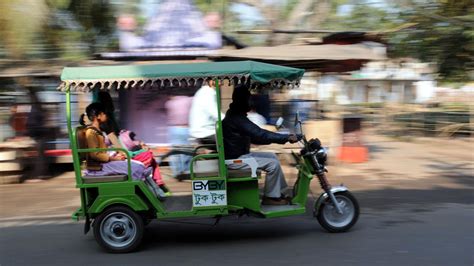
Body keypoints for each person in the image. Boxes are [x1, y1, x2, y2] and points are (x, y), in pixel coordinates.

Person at [222, 84, 299, 205]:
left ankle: (279, 192)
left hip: (239, 155)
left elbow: (256, 137)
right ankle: (270, 198)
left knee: (272, 157)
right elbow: (259, 133)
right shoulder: (237, 118)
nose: (251, 102)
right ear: (242, 101)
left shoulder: (235, 115)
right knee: (273, 164)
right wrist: (286, 138)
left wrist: (278, 139)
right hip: (236, 160)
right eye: (249, 99)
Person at [79, 103, 152, 182]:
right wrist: (113, 158)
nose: (106, 115)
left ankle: (145, 182)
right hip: (98, 167)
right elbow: (95, 154)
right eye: (104, 113)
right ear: (98, 116)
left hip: (103, 163)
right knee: (136, 167)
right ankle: (137, 188)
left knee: (139, 165)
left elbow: (102, 151)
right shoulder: (91, 133)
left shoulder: (98, 131)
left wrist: (115, 155)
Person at [119, 130, 170, 195]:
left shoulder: (126, 144)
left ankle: (160, 185)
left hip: (133, 157)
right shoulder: (135, 148)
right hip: (135, 159)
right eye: (143, 145)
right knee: (152, 161)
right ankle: (160, 185)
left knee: (152, 162)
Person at [189, 80, 224, 145]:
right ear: (210, 81)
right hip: (205, 133)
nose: (222, 83)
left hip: (204, 132)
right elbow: (215, 113)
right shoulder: (207, 93)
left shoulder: (205, 92)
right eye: (219, 80)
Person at [165, 95, 193, 176]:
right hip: (185, 128)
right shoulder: (188, 100)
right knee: (186, 151)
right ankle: (186, 171)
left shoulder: (169, 103)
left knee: (175, 152)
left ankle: (177, 172)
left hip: (173, 128)